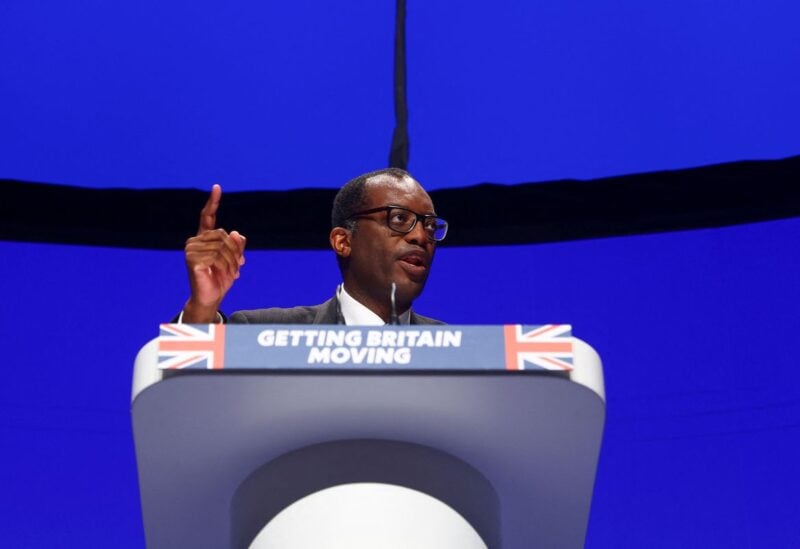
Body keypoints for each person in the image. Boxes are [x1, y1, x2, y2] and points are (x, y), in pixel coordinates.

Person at [179, 168, 448, 325]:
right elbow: (182, 403)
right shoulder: (263, 334)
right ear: (343, 241)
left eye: (429, 225)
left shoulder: (458, 354)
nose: (420, 237)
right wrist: (202, 306)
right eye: (400, 219)